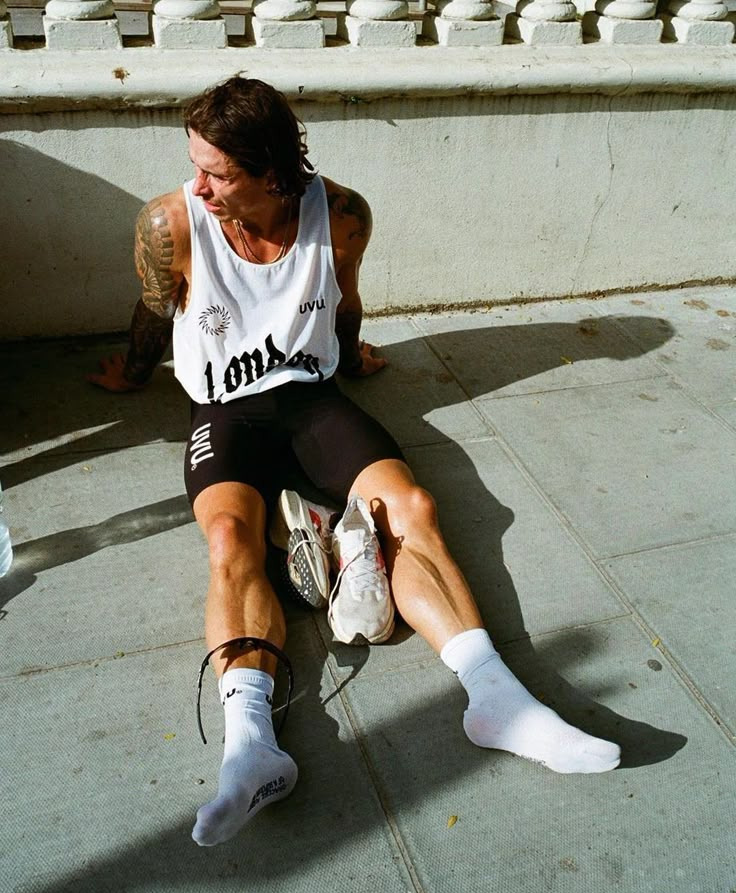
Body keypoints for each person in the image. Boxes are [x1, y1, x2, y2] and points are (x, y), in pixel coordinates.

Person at [88, 77, 621, 848]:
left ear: (272, 172)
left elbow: (341, 299)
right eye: (194, 165)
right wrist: (134, 374)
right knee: (229, 539)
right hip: (226, 410)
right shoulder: (170, 222)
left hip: (312, 398)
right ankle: (251, 748)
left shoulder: (340, 214)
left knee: (413, 510)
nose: (197, 185)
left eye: (217, 174)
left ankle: (498, 701)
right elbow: (152, 306)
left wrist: (354, 352)